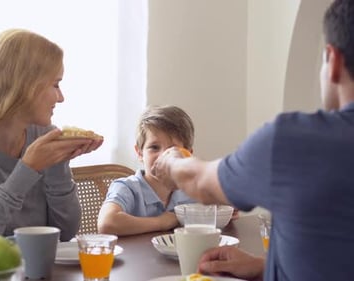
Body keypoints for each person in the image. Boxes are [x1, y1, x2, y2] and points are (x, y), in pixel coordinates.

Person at [151, 0, 354, 280]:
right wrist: (266, 266)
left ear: (333, 61)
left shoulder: (292, 142)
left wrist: (172, 161)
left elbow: (200, 182)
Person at [0, 29, 103, 245]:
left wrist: (59, 163)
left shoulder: (45, 135)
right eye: (55, 85)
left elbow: (64, 233)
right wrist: (28, 169)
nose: (61, 98)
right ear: (25, 86)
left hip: (27, 270)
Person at [97, 105, 197, 236]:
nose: (163, 156)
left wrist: (228, 212)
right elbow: (107, 224)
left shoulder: (191, 190)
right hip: (135, 256)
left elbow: (213, 214)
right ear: (139, 153)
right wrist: (161, 222)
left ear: (187, 155)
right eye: (154, 147)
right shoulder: (127, 188)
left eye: (172, 150)